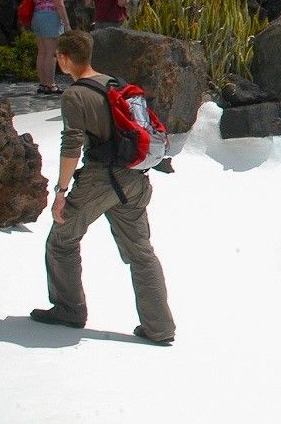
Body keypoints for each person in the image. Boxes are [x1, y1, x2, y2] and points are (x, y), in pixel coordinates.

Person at [29, 30, 176, 344]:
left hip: (100, 180)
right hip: (135, 179)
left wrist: (60, 192)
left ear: (66, 58)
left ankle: (69, 309)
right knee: (141, 253)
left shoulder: (74, 95)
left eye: (58, 56)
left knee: (62, 240)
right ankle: (160, 327)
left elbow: (71, 145)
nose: (57, 60)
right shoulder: (115, 84)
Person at [29, 0, 72, 94]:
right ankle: (50, 84)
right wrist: (66, 23)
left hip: (38, 16)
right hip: (50, 17)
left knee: (42, 52)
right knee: (51, 53)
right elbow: (59, 5)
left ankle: (43, 83)